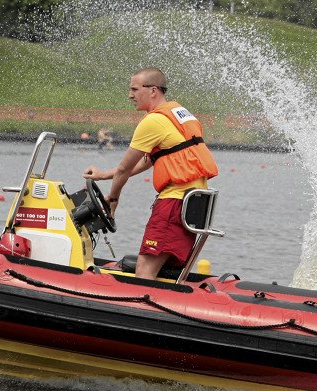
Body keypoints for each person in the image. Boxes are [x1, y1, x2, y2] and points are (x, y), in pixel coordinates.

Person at [83, 67, 219, 279]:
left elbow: (125, 168)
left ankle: (141, 300)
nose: (130, 95)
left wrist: (113, 199)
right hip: (193, 204)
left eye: (134, 89)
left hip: (173, 204)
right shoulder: (180, 113)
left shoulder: (152, 121)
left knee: (145, 270)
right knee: (164, 271)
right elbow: (148, 161)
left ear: (153, 90)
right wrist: (103, 175)